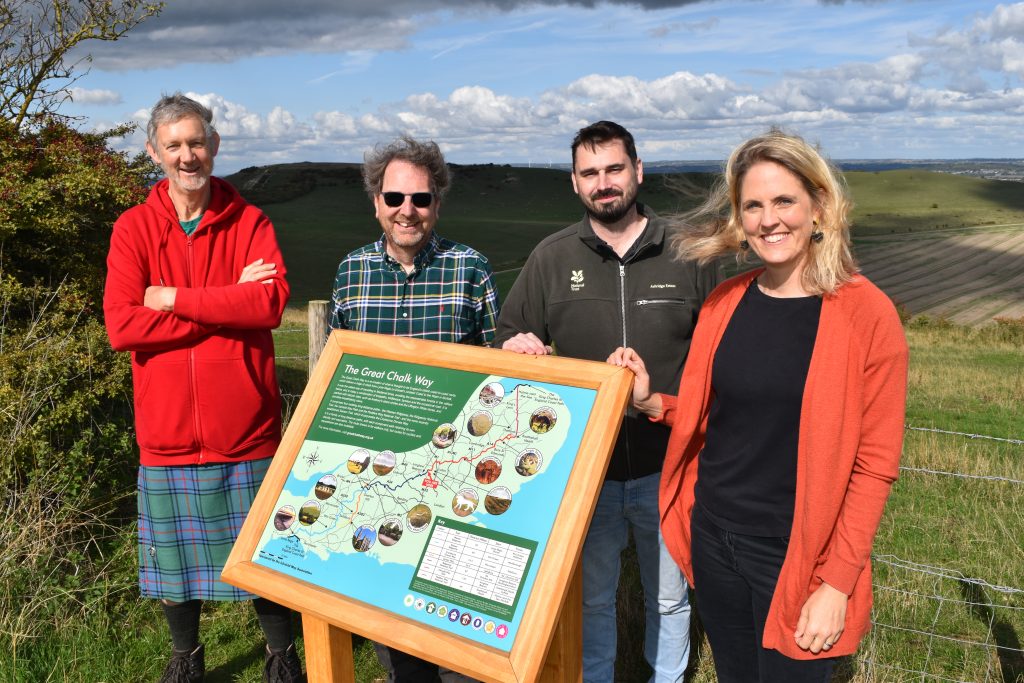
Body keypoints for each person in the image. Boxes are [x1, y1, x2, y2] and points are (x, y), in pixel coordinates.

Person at [609, 130, 909, 682]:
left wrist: (837, 582)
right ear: (739, 219)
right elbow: (718, 413)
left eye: (784, 201)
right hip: (716, 537)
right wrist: (654, 401)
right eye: (753, 206)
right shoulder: (727, 302)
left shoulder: (866, 314)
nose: (769, 220)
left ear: (818, 208)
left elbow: (875, 465)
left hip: (797, 553)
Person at [495, 121, 721, 683]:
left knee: (669, 600)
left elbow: (721, 358)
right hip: (583, 472)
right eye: (590, 173)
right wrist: (514, 346)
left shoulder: (688, 253)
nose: (604, 183)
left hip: (668, 467)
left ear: (638, 172)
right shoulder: (550, 258)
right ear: (574, 183)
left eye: (614, 169)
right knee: (591, 601)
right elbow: (509, 334)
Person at [103, 93, 302, 683]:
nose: (187, 156)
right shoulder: (134, 229)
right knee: (174, 568)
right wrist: (225, 300)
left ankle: (280, 655)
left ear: (213, 145)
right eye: (174, 145)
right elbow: (122, 324)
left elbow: (267, 303)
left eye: (197, 142)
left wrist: (171, 297)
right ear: (153, 152)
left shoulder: (250, 222)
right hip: (166, 431)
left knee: (262, 558)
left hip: (246, 427)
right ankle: (186, 657)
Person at [330, 135, 499, 682]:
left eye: (421, 200)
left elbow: (499, 372)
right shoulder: (350, 272)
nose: (408, 211)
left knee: (455, 611)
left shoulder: (470, 268)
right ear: (376, 201)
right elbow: (334, 378)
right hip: (380, 472)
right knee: (389, 600)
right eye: (395, 198)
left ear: (437, 204)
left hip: (454, 471)